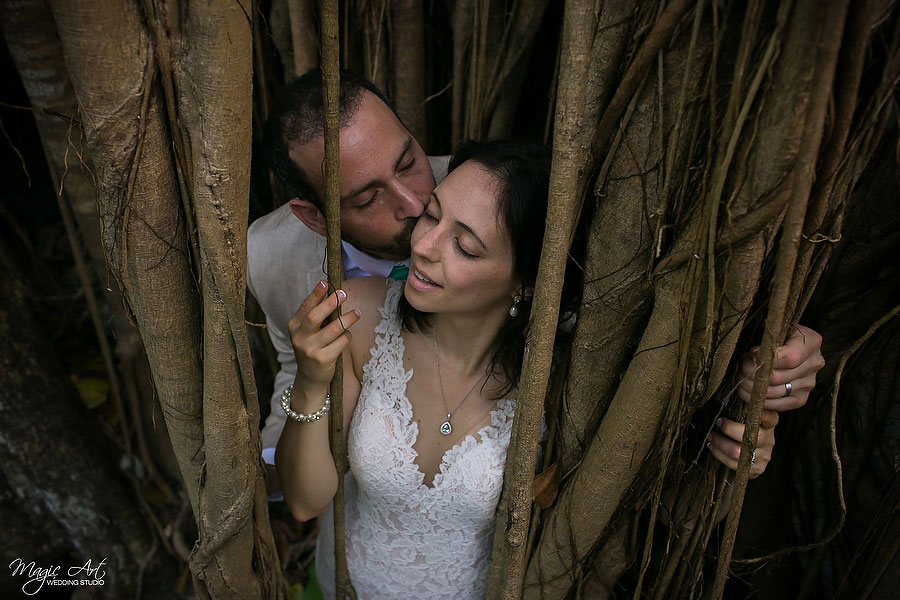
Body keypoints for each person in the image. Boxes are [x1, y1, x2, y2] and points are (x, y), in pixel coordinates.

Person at [250, 68, 825, 493]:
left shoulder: (493, 196)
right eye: (369, 197)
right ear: (315, 217)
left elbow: (645, 307)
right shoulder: (269, 258)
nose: (416, 202)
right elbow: (292, 390)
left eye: (407, 161)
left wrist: (759, 364)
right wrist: (290, 456)